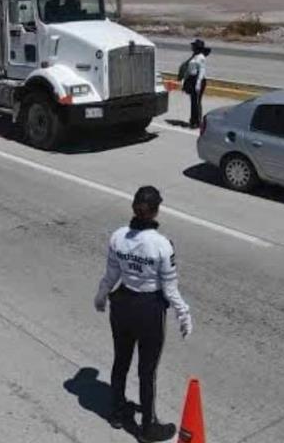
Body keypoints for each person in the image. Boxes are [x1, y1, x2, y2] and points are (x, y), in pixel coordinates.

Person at [94, 186, 192, 442]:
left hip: (122, 305)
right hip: (149, 310)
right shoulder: (162, 245)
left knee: (121, 360)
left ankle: (116, 412)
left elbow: (111, 275)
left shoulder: (118, 237)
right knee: (147, 371)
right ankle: (148, 427)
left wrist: (101, 295)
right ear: (157, 210)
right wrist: (184, 313)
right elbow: (170, 288)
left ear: (134, 208)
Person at [180, 39, 211, 128]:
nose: (192, 47)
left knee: (197, 102)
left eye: (193, 46)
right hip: (192, 79)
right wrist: (184, 79)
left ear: (197, 47)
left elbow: (202, 71)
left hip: (199, 80)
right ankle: (193, 120)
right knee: (193, 101)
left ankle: (197, 122)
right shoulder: (194, 56)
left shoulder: (201, 57)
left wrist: (198, 83)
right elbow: (188, 70)